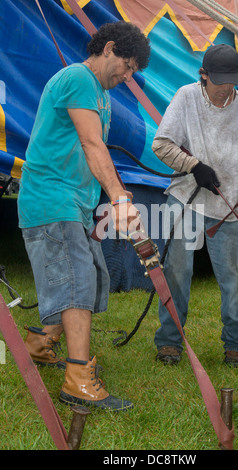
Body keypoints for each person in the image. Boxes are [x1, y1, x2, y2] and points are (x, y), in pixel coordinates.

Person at [17, 21, 150, 410]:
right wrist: (120, 200)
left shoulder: (99, 94)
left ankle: (41, 343)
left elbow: (91, 152)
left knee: (85, 280)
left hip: (72, 202)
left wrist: (113, 195)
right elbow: (92, 143)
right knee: (76, 282)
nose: (127, 76)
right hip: (51, 199)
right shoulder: (78, 77)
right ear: (108, 48)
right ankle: (78, 377)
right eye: (127, 66)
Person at [152, 44, 238, 367]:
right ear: (203, 75)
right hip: (185, 200)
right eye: (219, 82)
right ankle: (169, 342)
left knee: (232, 276)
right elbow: (160, 144)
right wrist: (193, 165)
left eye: (231, 82)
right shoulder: (186, 97)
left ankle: (236, 345)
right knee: (177, 271)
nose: (225, 90)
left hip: (228, 205)